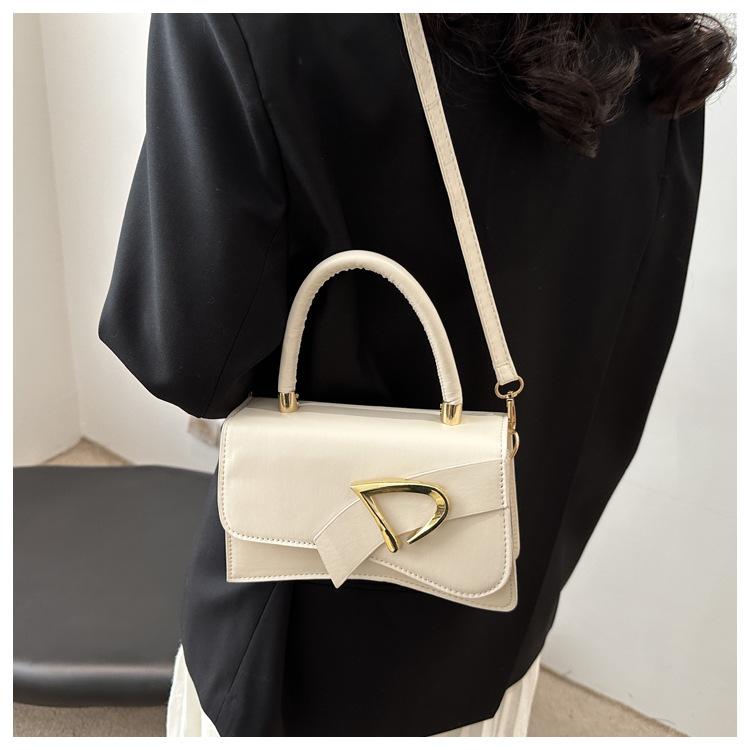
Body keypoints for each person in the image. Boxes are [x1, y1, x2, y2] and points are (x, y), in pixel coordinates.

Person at [99, 13, 734, 737]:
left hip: (308, 646)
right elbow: (628, 339)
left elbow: (183, 359)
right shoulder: (658, 34)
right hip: (508, 609)